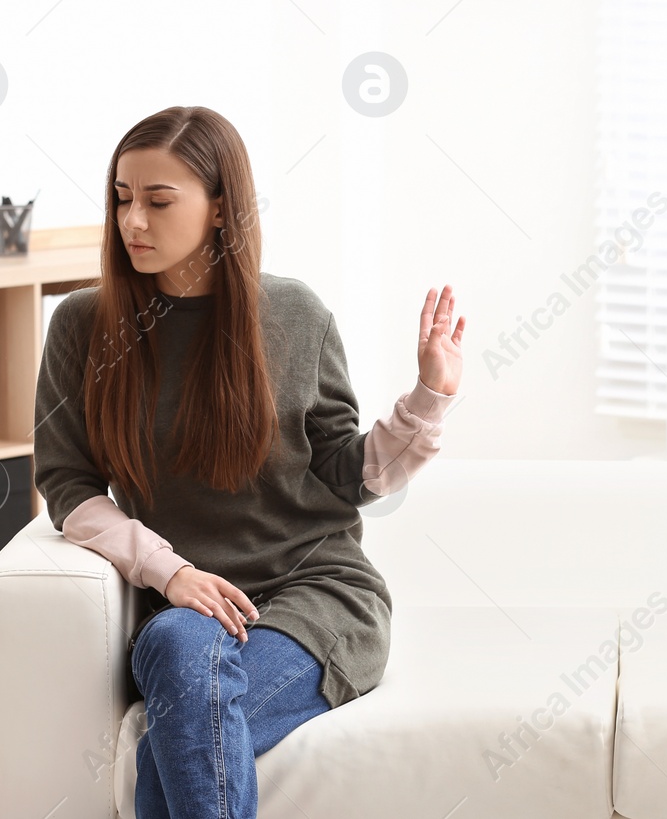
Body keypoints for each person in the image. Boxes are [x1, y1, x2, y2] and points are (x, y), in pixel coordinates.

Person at [32, 106, 466, 819]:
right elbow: (67, 484)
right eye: (121, 198)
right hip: (186, 602)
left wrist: (429, 395)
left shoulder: (294, 314)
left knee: (173, 743)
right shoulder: (83, 325)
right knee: (178, 651)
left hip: (315, 598)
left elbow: (346, 476)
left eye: (158, 200)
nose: (132, 221)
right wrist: (167, 570)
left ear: (221, 208)